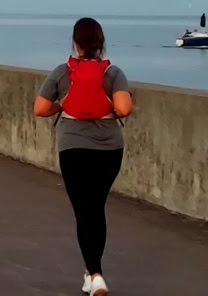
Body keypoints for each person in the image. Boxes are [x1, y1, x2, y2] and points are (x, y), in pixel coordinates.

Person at [33, 17, 134, 296]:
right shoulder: (113, 73)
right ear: (101, 43)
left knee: (83, 211)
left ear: (75, 42)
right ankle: (92, 275)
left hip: (74, 147)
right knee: (96, 208)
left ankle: (95, 274)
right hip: (109, 149)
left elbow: (40, 108)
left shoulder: (62, 72)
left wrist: (63, 105)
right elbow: (124, 108)